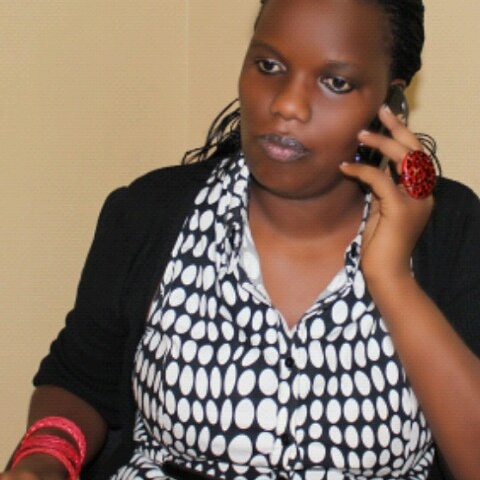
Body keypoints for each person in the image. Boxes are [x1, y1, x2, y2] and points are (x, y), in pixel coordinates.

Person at [2, 0, 480, 479]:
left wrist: (392, 279)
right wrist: (43, 462)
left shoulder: (449, 230)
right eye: (269, 66)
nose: (286, 104)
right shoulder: (150, 212)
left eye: (335, 82)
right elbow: (80, 381)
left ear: (391, 105)